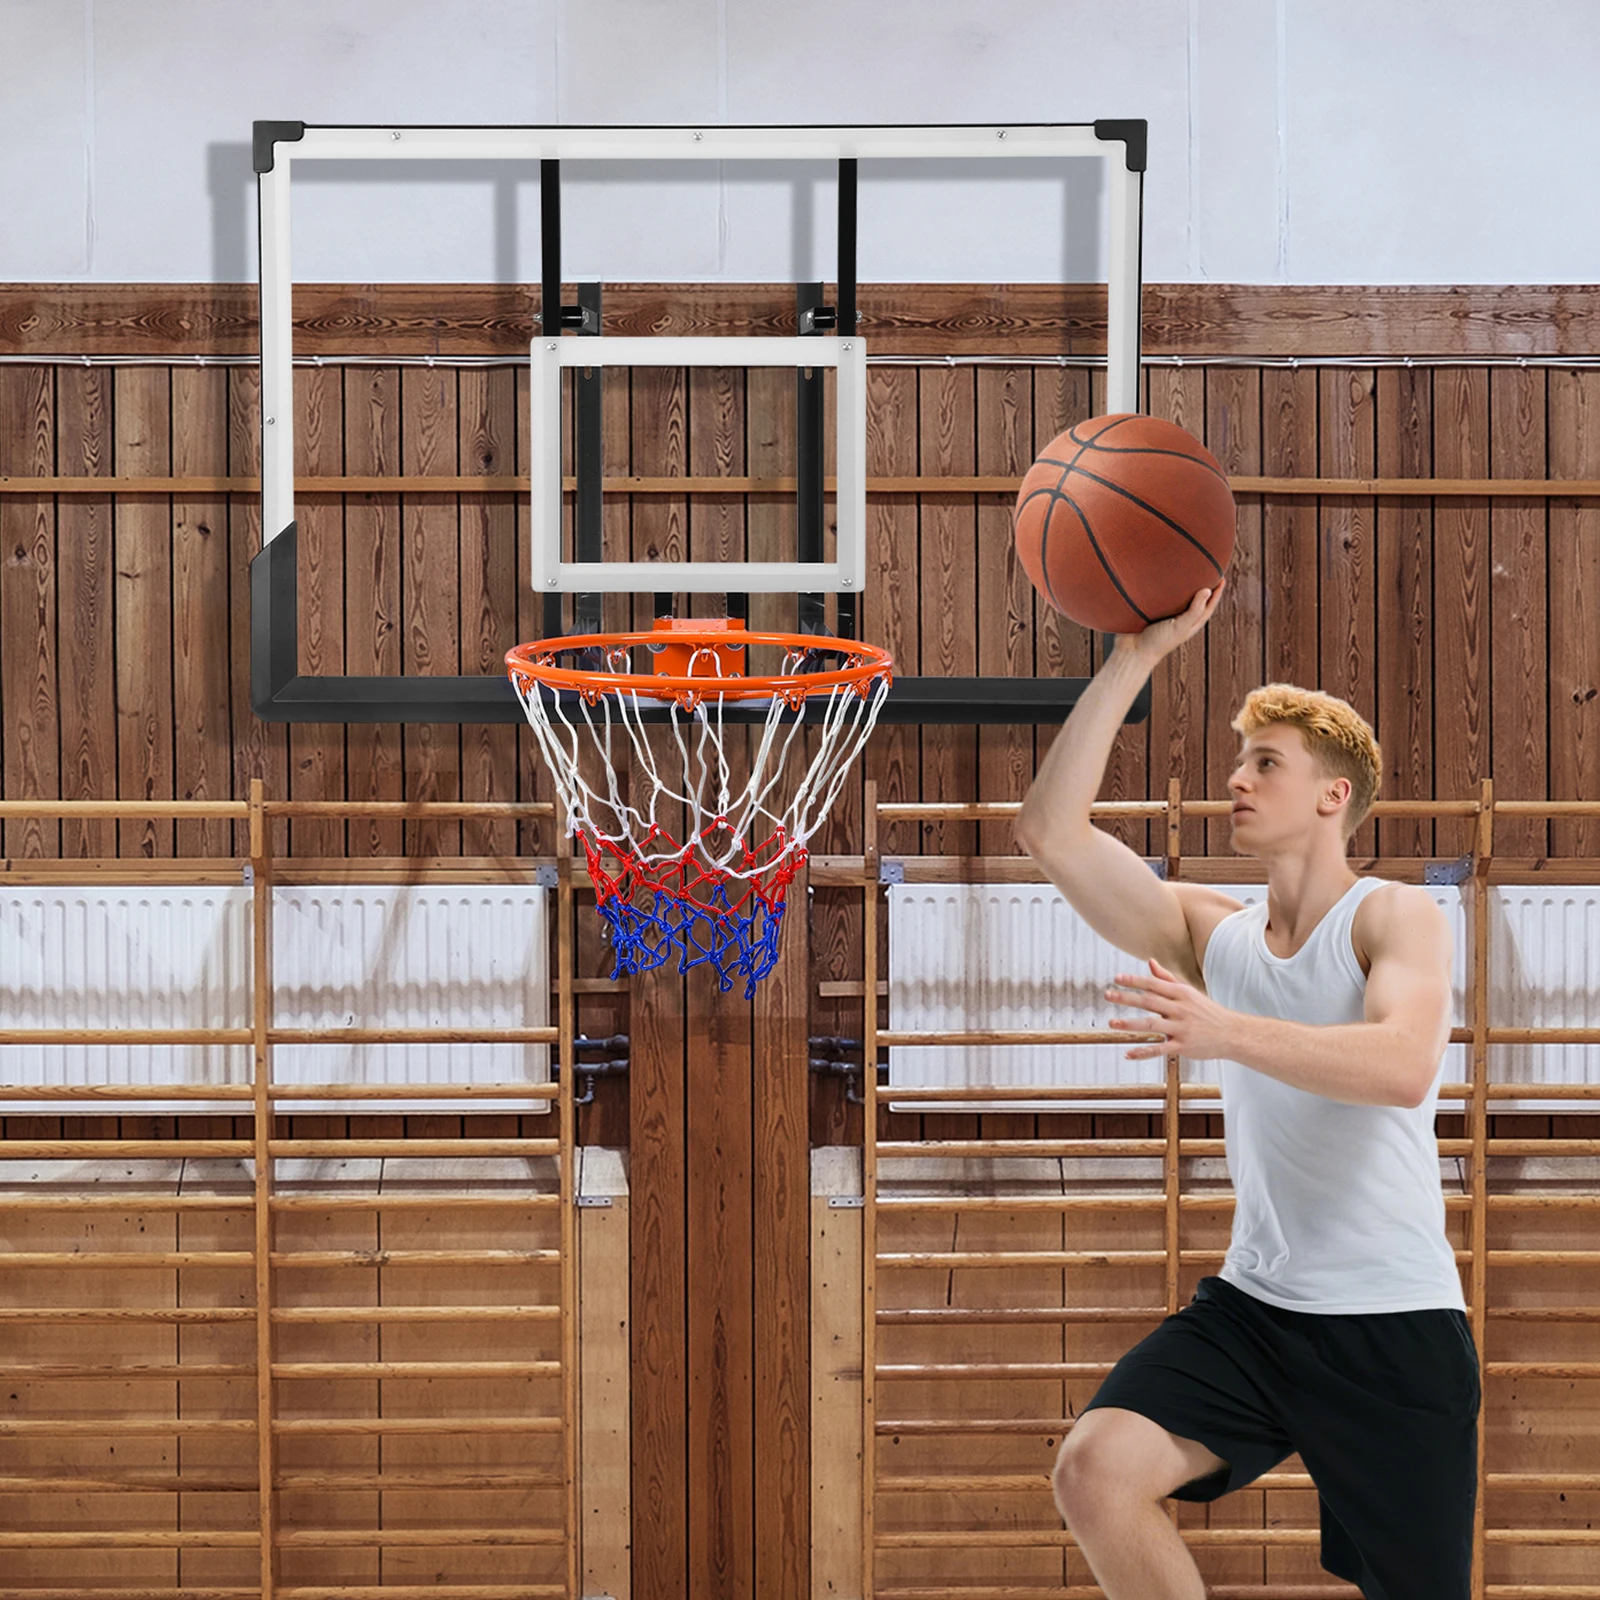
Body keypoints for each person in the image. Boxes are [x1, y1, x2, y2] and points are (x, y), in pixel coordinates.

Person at [1013, 581, 1480, 1600]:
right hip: (1257, 1310)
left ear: (1332, 795)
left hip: (1394, 1327)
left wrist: (1223, 1031)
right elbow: (1049, 829)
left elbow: (1400, 1064)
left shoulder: (1393, 916)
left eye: (1265, 762)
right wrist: (1134, 658)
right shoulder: (1209, 934)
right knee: (1095, 1471)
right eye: (1238, 759)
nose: (1236, 778)